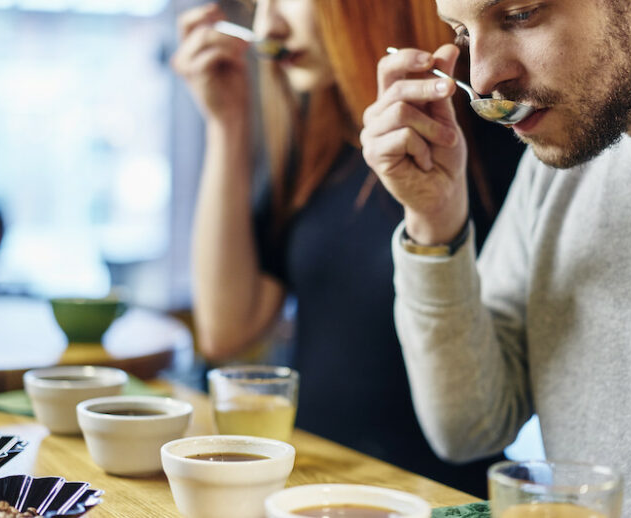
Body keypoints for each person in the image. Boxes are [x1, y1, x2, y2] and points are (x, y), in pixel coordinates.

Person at [360, 0, 631, 516]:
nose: (482, 80)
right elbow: (471, 424)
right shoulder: (567, 157)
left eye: (521, 14)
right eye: (462, 33)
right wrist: (435, 221)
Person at [171, 0, 521, 497]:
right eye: (257, 5)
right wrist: (226, 124)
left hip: (435, 496)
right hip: (311, 488)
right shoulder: (320, 135)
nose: (266, 26)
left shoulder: (500, 141)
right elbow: (226, 329)